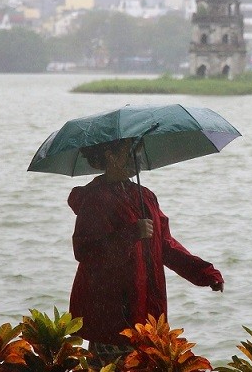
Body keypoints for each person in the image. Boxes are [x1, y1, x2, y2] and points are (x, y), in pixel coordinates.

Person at [67, 138, 224, 363]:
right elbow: (85, 251)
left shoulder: (145, 196)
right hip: (110, 312)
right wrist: (131, 233)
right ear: (110, 156)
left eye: (138, 153)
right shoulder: (95, 199)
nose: (137, 160)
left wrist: (204, 273)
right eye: (130, 153)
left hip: (145, 304)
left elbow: (165, 245)